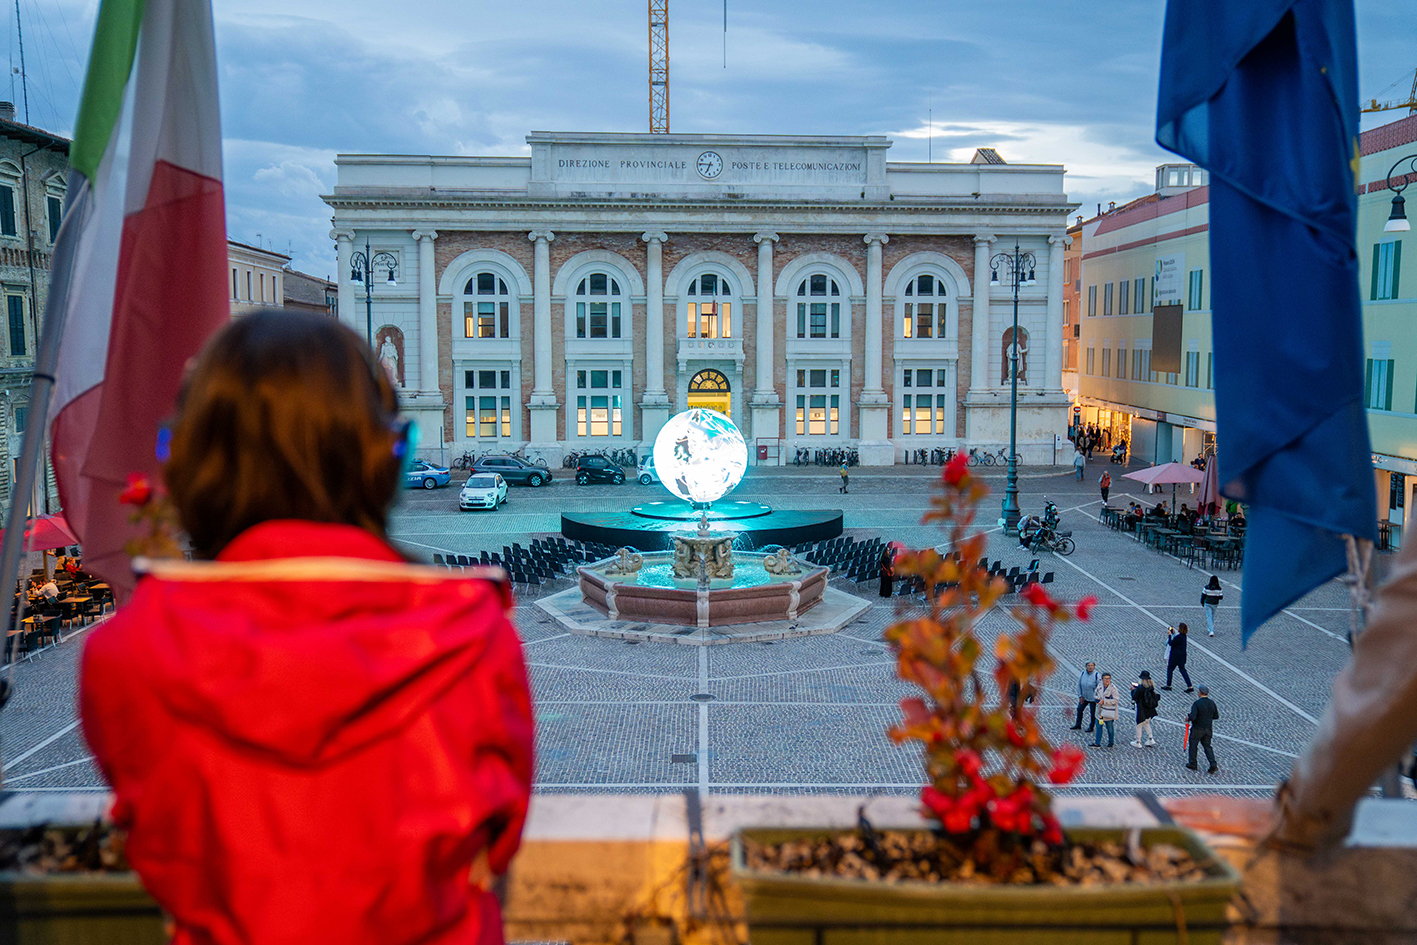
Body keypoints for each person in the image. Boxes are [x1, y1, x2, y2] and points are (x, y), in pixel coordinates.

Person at [79, 311, 535, 945]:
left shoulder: (124, 653)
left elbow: (158, 849)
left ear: (181, 462)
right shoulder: (473, 631)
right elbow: (500, 840)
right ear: (389, 457)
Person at [1186, 685, 1220, 774]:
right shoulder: (1212, 703)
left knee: (1193, 745)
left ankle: (1193, 763)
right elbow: (1216, 716)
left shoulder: (1197, 703)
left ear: (1200, 692)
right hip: (1208, 728)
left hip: (1197, 728)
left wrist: (1188, 718)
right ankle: (1213, 764)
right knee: (1207, 746)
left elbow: (1193, 717)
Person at [1130, 671, 1160, 748]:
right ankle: (1150, 738)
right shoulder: (1151, 686)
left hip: (1141, 708)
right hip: (1149, 709)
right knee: (1146, 723)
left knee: (1139, 724)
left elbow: (1135, 696)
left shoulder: (1140, 688)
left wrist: (1133, 690)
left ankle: (1138, 741)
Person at [1163, 623, 1193, 692]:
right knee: (1183, 670)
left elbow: (1171, 643)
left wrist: (1170, 635)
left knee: (1170, 670)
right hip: (1182, 657)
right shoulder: (1184, 636)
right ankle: (1190, 686)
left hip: (1175, 657)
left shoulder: (1178, 637)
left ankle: (1168, 685)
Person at [1071, 661, 1100, 732]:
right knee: (1079, 709)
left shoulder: (1097, 675)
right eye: (1089, 665)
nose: (1090, 667)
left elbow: (1099, 687)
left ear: (1094, 667)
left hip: (1093, 698)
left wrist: (1097, 697)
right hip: (1084, 697)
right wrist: (1080, 696)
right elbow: (1079, 685)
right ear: (1086, 667)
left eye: (1092, 665)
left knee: (1093, 713)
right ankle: (1078, 724)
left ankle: (1091, 726)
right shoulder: (1083, 674)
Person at [1091, 672, 1119, 747]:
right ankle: (1097, 742)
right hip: (1100, 712)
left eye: (1109, 678)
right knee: (1099, 726)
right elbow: (1095, 694)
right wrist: (1097, 700)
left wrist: (1105, 701)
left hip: (1108, 712)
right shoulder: (1099, 686)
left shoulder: (1113, 688)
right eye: (1106, 679)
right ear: (1102, 679)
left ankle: (1111, 742)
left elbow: (1116, 700)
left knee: (1109, 727)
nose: (1107, 680)